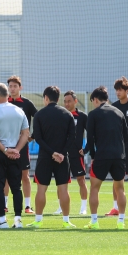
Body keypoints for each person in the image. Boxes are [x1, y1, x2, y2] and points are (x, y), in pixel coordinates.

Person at [27, 86, 76, 229]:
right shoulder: (68, 114)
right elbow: (72, 138)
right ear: (58, 98)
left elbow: (39, 138)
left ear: (46, 98)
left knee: (41, 189)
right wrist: (61, 153)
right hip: (62, 158)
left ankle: (38, 220)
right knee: (63, 190)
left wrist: (51, 153)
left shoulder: (39, 115)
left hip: (44, 157)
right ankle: (66, 221)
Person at [82, 86, 128, 230]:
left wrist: (92, 156)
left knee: (94, 188)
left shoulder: (94, 114)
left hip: (102, 156)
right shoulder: (119, 112)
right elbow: (126, 137)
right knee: (120, 188)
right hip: (119, 156)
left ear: (95, 100)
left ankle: (94, 222)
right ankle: (121, 221)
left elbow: (90, 140)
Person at [0, 83, 30, 229]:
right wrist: (16, 149)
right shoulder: (19, 111)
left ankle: (2, 220)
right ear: (8, 95)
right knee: (16, 187)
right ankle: (18, 220)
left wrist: (5, 150)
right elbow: (25, 133)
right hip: (15, 153)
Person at [5, 76, 37, 214]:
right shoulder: (4, 103)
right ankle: (4, 205)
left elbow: (40, 119)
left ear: (20, 87)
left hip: (23, 146)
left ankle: (28, 206)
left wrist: (32, 136)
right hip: (7, 145)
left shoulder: (27, 103)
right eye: (10, 86)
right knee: (6, 175)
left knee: (25, 175)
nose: (12, 89)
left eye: (14, 86)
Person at [108, 76, 128, 217]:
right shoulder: (114, 107)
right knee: (117, 179)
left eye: (120, 90)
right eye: (116, 90)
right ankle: (115, 207)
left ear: (127, 90)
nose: (118, 92)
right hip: (116, 149)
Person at [54, 90, 88, 216]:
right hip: (62, 153)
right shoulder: (61, 115)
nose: (67, 104)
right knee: (61, 182)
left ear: (75, 101)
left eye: (69, 101)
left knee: (81, 180)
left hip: (76, 154)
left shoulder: (83, 117)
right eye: (65, 101)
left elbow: (92, 132)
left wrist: (86, 149)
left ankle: (83, 208)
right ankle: (60, 207)